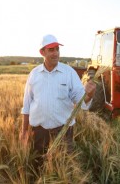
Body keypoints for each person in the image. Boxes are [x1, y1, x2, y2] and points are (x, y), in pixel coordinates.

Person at [20, 34, 96, 168]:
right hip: (39, 131)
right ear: (42, 52)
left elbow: (80, 100)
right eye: (51, 50)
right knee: (39, 165)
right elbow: (26, 105)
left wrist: (89, 94)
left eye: (57, 49)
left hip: (63, 130)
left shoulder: (69, 73)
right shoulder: (34, 74)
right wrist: (24, 131)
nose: (55, 53)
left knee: (64, 167)